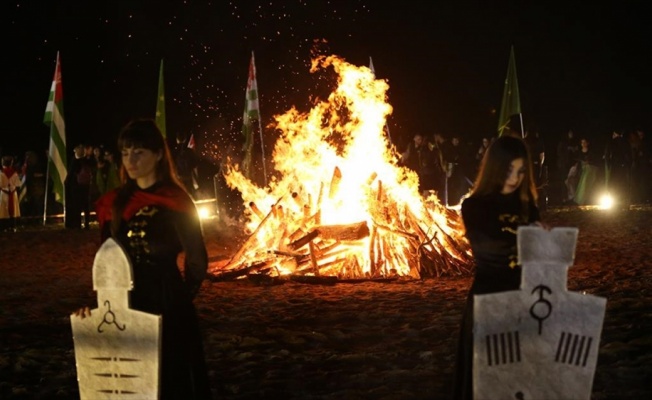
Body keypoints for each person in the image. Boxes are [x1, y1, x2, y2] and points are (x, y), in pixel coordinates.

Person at [76, 119, 212, 399]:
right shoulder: (114, 204)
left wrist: (179, 300)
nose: (130, 160)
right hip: (124, 302)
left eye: (139, 152)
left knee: (169, 379)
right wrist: (101, 306)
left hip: (167, 300)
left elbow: (197, 260)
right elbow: (106, 261)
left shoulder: (176, 201)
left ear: (159, 154)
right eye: (125, 153)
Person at [451, 135, 545, 400]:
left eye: (521, 171)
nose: (515, 178)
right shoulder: (475, 206)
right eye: (508, 170)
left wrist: (546, 240)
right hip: (489, 297)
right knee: (486, 378)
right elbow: (487, 246)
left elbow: (538, 256)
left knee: (518, 378)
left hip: (522, 298)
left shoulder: (528, 207)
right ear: (495, 168)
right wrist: (527, 237)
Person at [1, 155, 22, 231]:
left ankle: (3, 227)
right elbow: (18, 184)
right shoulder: (15, 173)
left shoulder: (1, 173)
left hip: (4, 194)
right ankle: (13, 226)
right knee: (13, 210)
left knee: (3, 211)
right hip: (13, 194)